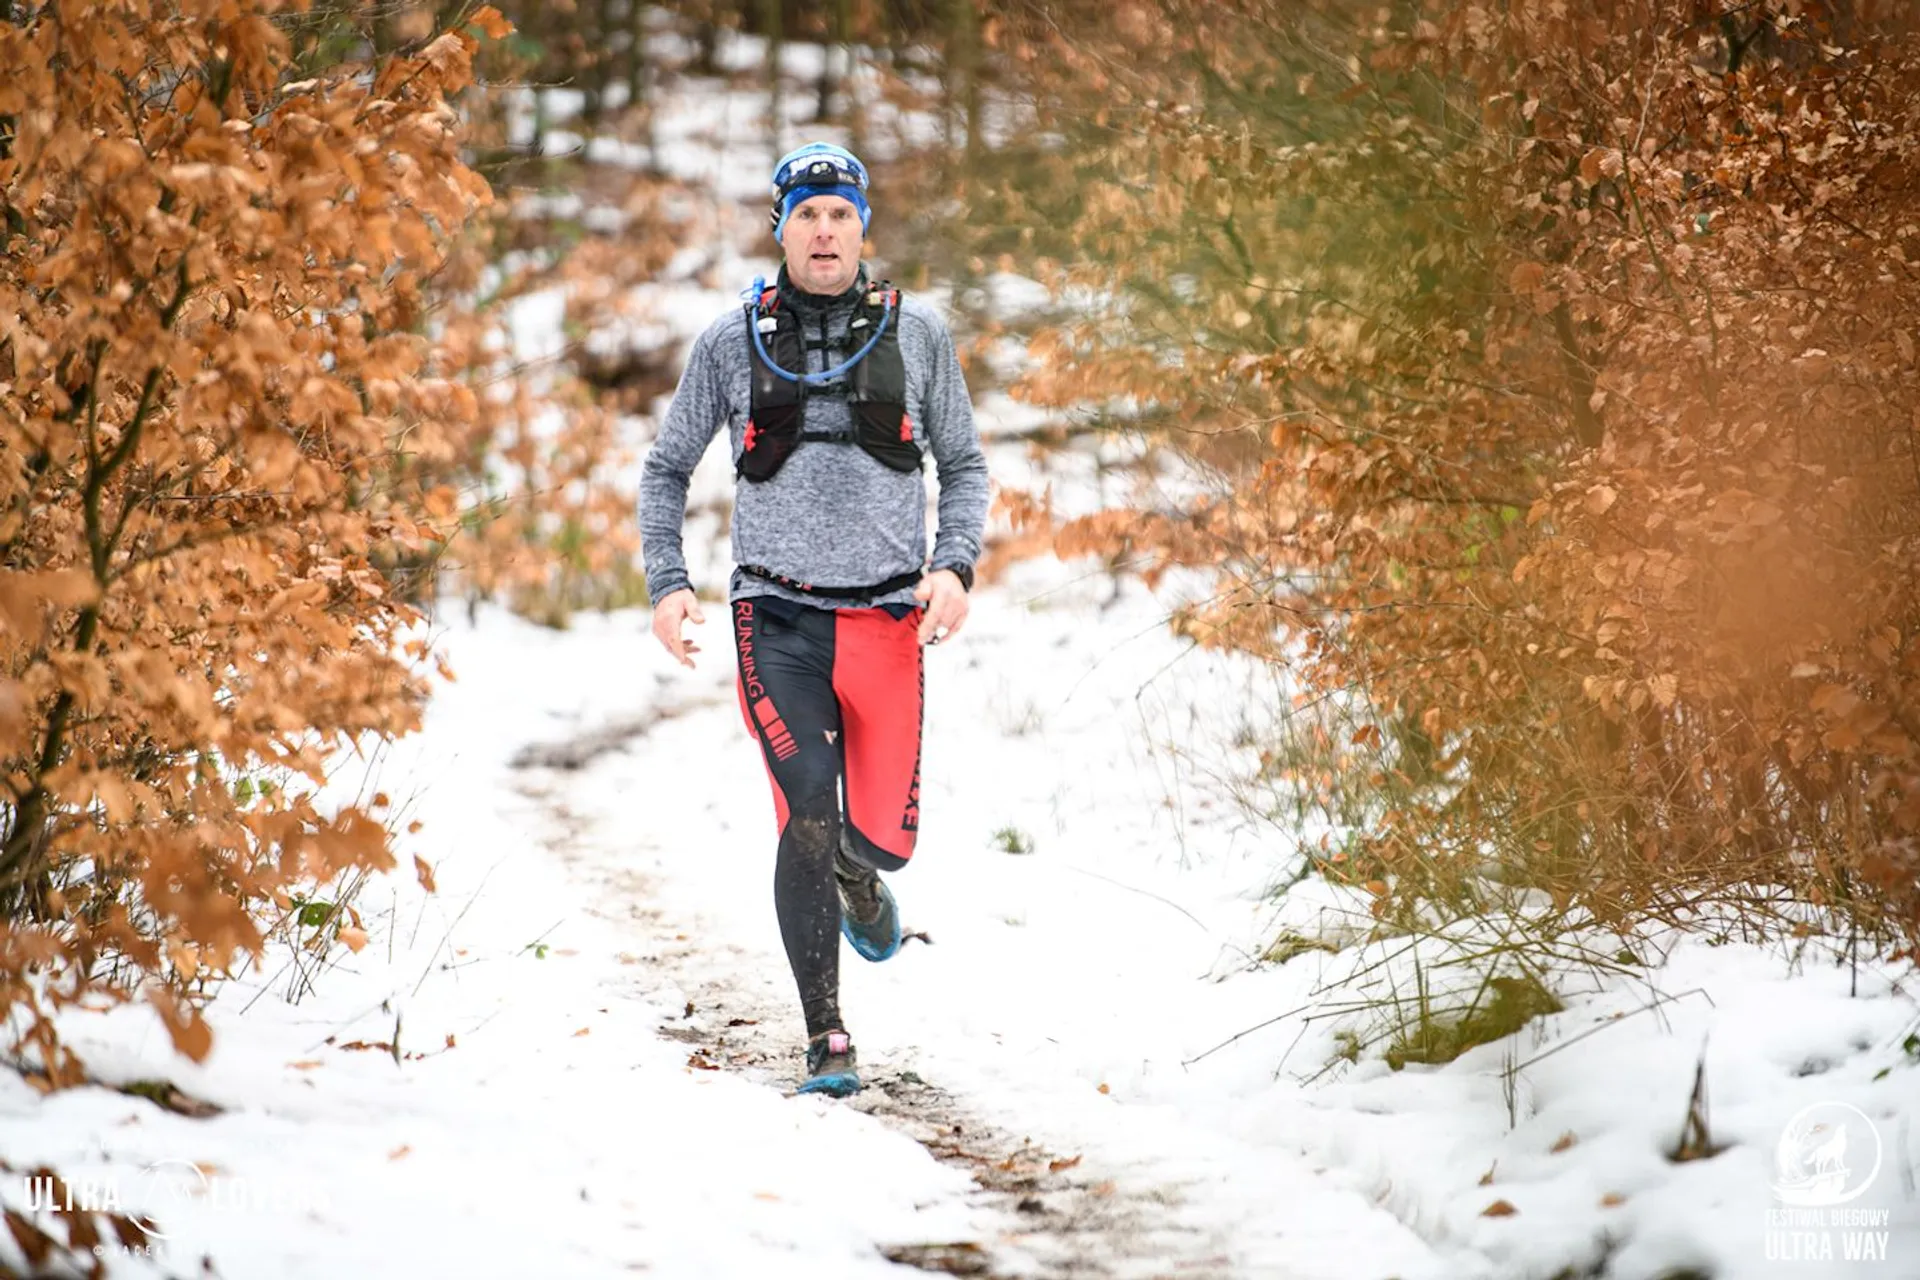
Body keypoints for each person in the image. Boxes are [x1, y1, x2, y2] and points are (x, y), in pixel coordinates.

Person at [638, 142, 990, 1097]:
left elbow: (962, 466)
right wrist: (668, 582)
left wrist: (954, 566)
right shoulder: (730, 341)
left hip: (886, 622)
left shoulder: (919, 336)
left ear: (862, 226)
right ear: (781, 229)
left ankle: (859, 876)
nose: (824, 230)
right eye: (806, 214)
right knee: (805, 810)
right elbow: (667, 468)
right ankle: (826, 1033)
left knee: (874, 840)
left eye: (840, 213)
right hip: (776, 614)